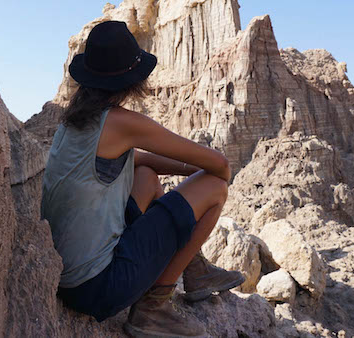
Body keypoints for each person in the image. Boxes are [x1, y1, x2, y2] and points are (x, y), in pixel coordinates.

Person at [41, 20, 245, 337]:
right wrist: (203, 174)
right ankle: (153, 310)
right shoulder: (123, 123)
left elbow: (142, 160)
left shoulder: (75, 121)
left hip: (69, 278)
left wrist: (190, 170)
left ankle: (194, 268)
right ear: (131, 79)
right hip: (99, 287)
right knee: (215, 188)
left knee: (146, 176)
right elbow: (220, 166)